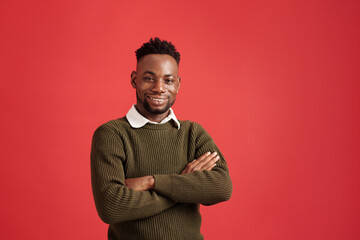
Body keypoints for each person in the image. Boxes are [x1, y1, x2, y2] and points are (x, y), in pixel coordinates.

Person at [91, 37, 232, 240]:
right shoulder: (112, 134)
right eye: (149, 78)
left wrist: (153, 182)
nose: (159, 88)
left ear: (178, 84)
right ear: (134, 79)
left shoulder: (193, 133)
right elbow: (112, 207)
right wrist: (183, 184)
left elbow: (222, 187)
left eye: (168, 80)